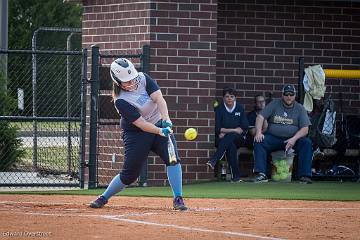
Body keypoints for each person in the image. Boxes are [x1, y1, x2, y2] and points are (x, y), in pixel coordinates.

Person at [90, 58, 187, 210]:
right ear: (117, 82)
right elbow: (141, 124)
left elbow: (159, 99)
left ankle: (178, 198)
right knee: (130, 175)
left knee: (173, 159)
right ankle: (104, 197)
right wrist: (160, 131)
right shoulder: (120, 100)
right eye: (126, 82)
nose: (131, 83)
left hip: (159, 123)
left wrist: (166, 120)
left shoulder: (143, 78)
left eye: (132, 79)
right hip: (137, 134)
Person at [253, 84, 313, 184]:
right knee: (259, 141)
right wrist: (258, 132)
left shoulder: (300, 108)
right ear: (282, 95)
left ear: (294, 95)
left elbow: (305, 129)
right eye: (286, 94)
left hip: (293, 139)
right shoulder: (274, 104)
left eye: (291, 94)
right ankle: (261, 174)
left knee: (306, 143)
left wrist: (293, 139)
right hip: (274, 138)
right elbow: (260, 117)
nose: (289, 97)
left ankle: (304, 175)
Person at [206, 87, 249, 182]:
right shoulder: (219, 109)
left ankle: (214, 159)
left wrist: (225, 131)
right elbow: (218, 129)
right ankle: (236, 177)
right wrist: (234, 130)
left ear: (235, 98)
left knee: (231, 136)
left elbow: (244, 127)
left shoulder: (240, 108)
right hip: (223, 140)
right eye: (227, 96)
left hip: (239, 139)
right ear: (223, 98)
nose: (229, 98)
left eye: (232, 96)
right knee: (231, 146)